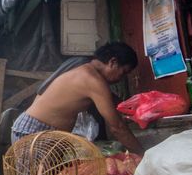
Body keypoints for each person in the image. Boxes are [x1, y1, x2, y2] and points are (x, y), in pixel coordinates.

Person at [11, 42, 143, 153]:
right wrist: (143, 154)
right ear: (113, 62)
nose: (121, 79)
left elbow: (112, 100)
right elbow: (117, 128)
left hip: (44, 133)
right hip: (34, 132)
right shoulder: (93, 80)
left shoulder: (84, 68)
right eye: (123, 72)